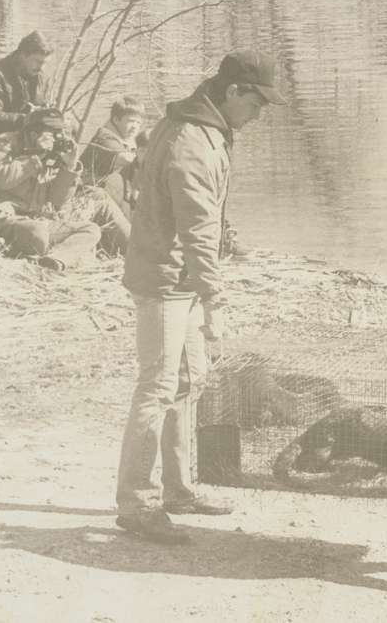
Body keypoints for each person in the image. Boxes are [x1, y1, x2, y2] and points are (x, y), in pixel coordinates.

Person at [115, 49, 287, 544]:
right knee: (157, 386)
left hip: (180, 278)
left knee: (188, 382)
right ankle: (136, 503)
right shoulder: (193, 141)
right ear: (232, 92)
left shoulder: (203, 126)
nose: (258, 115)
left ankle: (179, 489)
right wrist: (215, 303)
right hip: (168, 280)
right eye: (256, 104)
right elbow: (197, 230)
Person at [0, 108, 103, 271]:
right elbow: (3, 180)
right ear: (34, 134)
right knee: (38, 232)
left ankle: (56, 259)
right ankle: (31, 249)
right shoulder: (6, 142)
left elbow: (57, 202)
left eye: (61, 132)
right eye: (53, 133)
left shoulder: (55, 152)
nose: (58, 138)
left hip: (35, 221)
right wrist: (37, 156)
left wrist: (69, 167)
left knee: (91, 229)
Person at [0, 30, 54, 139]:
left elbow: (44, 105)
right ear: (23, 55)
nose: (42, 68)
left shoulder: (40, 76)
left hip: (31, 138)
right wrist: (27, 119)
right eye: (38, 61)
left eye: (45, 63)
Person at [79, 95, 145, 220]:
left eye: (138, 123)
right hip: (90, 201)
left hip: (109, 197)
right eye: (131, 121)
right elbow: (127, 159)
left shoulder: (124, 138)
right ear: (116, 119)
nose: (135, 127)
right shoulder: (104, 138)